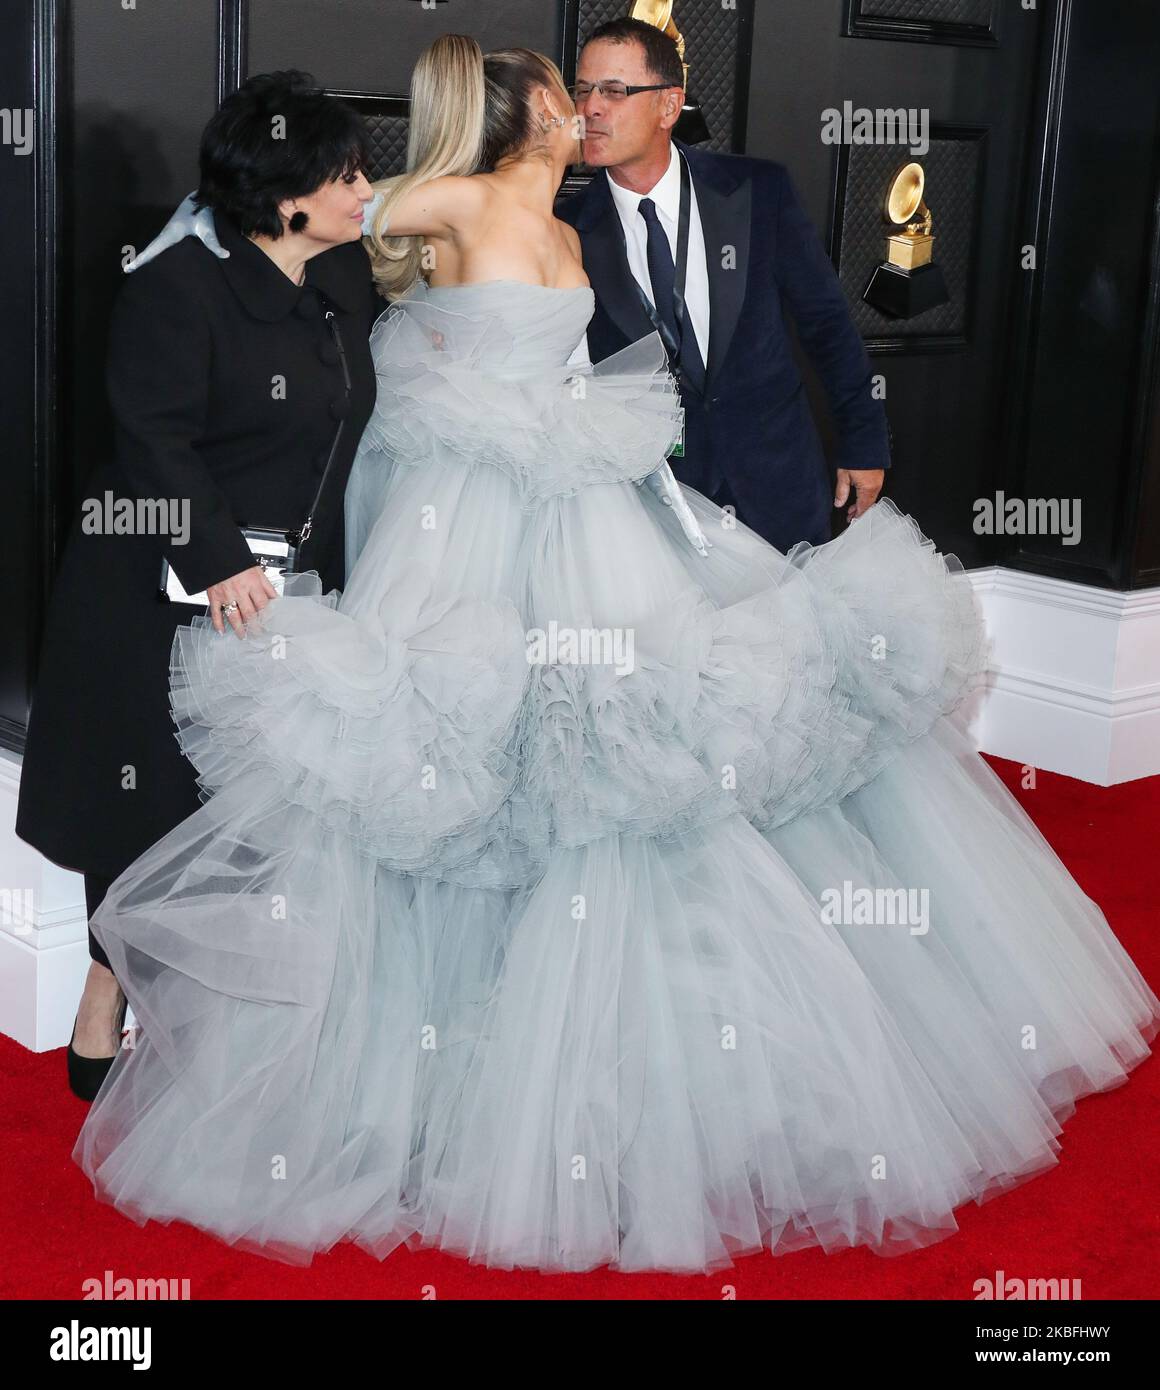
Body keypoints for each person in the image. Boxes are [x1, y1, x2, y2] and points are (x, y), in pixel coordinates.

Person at [72, 35, 1159, 1274]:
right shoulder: (465, 197)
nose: (581, 109)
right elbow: (318, 214)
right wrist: (194, 240)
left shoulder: (575, 224)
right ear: (529, 109)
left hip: (591, 513)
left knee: (630, 749)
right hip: (475, 526)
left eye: (601, 92)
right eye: (566, 90)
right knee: (469, 751)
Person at [15, 71, 381, 1100]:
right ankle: (107, 983)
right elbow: (152, 438)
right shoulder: (179, 285)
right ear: (285, 192)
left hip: (286, 594)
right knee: (149, 805)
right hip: (153, 588)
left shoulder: (344, 280)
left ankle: (215, 1026)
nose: (367, 190)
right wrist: (217, 557)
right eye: (347, 173)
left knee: (246, 817)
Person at [558, 16, 889, 551]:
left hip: (778, 487)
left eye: (615, 91)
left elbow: (826, 323)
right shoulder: (567, 231)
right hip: (655, 510)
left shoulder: (758, 191)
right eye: (583, 89)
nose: (591, 108)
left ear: (669, 105)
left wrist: (864, 441)